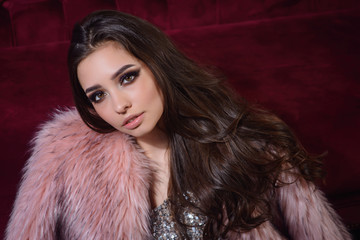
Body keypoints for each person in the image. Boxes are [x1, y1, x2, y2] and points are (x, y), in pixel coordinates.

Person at [6, 10, 351, 240]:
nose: (118, 105)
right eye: (98, 96)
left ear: (158, 65)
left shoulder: (245, 144)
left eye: (127, 78)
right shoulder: (64, 153)